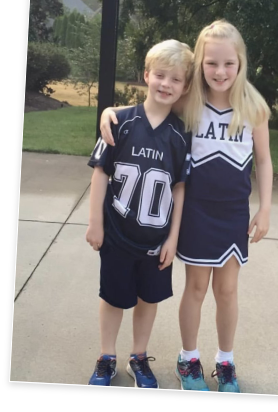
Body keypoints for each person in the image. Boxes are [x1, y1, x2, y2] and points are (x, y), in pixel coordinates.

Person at [99, 19, 273, 394]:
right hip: (196, 211)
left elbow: (264, 161)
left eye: (228, 63)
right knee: (195, 288)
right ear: (200, 65)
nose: (220, 71)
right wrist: (107, 112)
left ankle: (225, 361)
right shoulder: (188, 101)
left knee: (227, 290)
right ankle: (188, 358)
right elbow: (148, 104)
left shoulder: (254, 107)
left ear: (241, 63)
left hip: (233, 214)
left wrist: (266, 208)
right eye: (211, 63)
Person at [86, 39, 193, 388]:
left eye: (175, 79)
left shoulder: (181, 135)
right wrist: (95, 223)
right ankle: (106, 356)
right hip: (117, 233)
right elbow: (100, 173)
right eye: (160, 75)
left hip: (156, 238)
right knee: (113, 297)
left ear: (185, 86)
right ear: (146, 75)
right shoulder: (119, 121)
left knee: (149, 299)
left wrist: (173, 238)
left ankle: (138, 357)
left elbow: (179, 188)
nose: (166, 84)